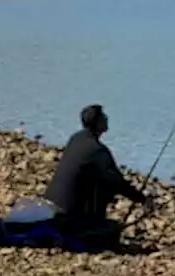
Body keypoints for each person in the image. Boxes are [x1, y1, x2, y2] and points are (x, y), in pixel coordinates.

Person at [43, 104, 154, 247]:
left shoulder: (75, 139)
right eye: (104, 116)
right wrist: (142, 199)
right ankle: (91, 224)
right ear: (98, 122)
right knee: (106, 191)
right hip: (67, 216)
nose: (107, 118)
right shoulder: (97, 151)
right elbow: (118, 182)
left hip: (51, 209)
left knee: (98, 178)